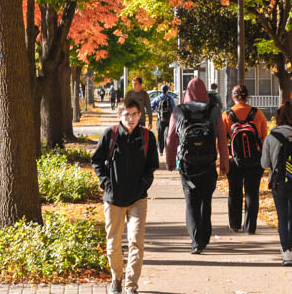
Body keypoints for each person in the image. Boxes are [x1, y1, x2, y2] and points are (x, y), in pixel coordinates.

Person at [90, 97, 158, 294]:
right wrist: (106, 183)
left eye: (134, 114)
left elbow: (152, 165)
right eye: (127, 114)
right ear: (120, 115)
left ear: (139, 115)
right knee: (113, 242)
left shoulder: (146, 137)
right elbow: (96, 161)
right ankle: (116, 279)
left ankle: (131, 285)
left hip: (138, 199)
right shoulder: (110, 135)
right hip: (113, 199)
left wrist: (144, 183)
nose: (131, 118)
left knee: (136, 242)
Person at [165, 77, 229, 254]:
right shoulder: (214, 110)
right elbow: (222, 139)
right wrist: (224, 163)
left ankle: (195, 241)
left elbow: (171, 138)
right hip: (208, 165)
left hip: (187, 166)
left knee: (191, 201)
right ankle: (205, 235)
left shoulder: (179, 111)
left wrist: (170, 161)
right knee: (206, 201)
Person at [261, 101, 292, 266]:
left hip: (278, 182)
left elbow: (264, 163)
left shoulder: (271, 137)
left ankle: (286, 252)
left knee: (282, 216)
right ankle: (290, 245)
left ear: (277, 117)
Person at [222, 83, 268, 234]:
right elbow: (263, 136)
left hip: (234, 159)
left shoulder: (227, 115)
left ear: (232, 97)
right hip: (254, 159)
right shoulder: (257, 113)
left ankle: (234, 224)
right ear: (247, 97)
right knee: (252, 193)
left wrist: (223, 159)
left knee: (234, 192)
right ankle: (250, 227)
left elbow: (221, 140)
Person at [151, 84, 176, 155]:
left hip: (160, 119)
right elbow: (174, 108)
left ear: (161, 90)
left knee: (160, 134)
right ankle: (167, 149)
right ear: (167, 90)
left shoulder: (157, 98)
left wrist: (157, 111)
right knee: (168, 134)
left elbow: (151, 107)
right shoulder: (170, 98)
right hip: (169, 119)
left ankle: (161, 150)